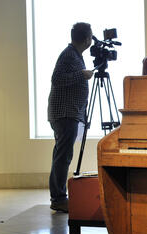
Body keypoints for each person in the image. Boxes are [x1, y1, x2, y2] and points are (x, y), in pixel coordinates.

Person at [48, 22, 93, 212]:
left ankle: (58, 196)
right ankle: (58, 198)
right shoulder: (69, 55)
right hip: (64, 113)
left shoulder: (74, 55)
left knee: (62, 155)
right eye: (91, 36)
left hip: (68, 112)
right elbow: (57, 79)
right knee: (63, 156)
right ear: (86, 38)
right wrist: (81, 75)